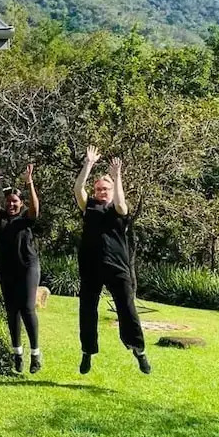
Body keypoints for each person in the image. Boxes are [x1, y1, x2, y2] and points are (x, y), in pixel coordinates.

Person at [74, 146, 151, 375]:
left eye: (105, 189)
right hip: (90, 267)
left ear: (112, 190)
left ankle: (139, 351)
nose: (101, 192)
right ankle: (87, 352)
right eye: (98, 189)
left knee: (127, 308)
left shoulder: (119, 209)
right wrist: (88, 164)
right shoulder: (89, 206)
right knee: (87, 310)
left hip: (117, 267)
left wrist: (117, 177)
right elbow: (78, 189)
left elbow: (120, 204)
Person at [0, 164, 42, 373]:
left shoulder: (25, 218)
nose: (11, 204)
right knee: (12, 311)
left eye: (15, 201)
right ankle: (17, 354)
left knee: (27, 308)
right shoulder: (0, 217)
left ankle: (35, 354)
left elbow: (35, 209)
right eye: (8, 201)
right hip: (6, 269)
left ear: (21, 203)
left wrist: (30, 183)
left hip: (28, 268)